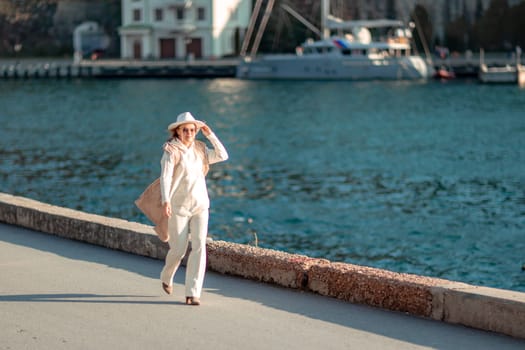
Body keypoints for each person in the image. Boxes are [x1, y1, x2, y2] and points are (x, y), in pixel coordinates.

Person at [159, 111, 228, 305]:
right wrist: (165, 201)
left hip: (200, 205)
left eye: (192, 130)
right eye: (185, 130)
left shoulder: (200, 148)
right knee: (179, 249)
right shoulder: (171, 151)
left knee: (199, 246)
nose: (189, 133)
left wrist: (210, 134)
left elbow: (223, 155)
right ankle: (166, 275)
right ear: (178, 132)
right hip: (178, 206)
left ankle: (192, 292)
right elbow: (165, 177)